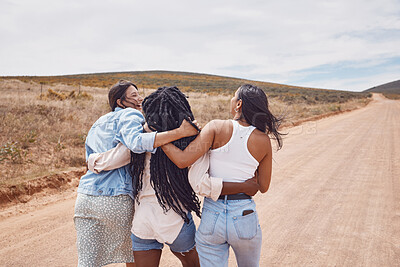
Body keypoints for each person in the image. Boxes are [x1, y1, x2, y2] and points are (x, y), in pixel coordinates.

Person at [87, 86, 260, 267]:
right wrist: (242, 186)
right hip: (174, 219)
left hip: (143, 221)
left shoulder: (140, 138)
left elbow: (112, 159)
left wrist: (92, 161)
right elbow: (199, 182)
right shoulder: (191, 141)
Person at [74, 81, 199, 267]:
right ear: (120, 101)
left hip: (99, 202)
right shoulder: (135, 120)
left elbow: (100, 155)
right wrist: (181, 132)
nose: (139, 98)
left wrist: (96, 162)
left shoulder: (100, 123)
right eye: (133, 95)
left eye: (139, 94)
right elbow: (135, 145)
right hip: (158, 212)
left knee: (88, 261)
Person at [161, 84, 283, 267]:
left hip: (213, 214)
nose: (231, 100)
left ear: (239, 104)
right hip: (244, 214)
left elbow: (182, 160)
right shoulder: (263, 140)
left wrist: (159, 139)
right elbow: (263, 186)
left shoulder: (216, 127)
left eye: (234, 97)